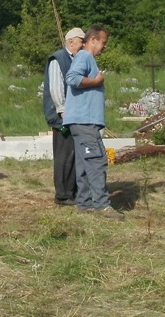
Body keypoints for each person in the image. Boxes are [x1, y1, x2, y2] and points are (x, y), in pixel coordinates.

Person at [64, 25, 123, 220]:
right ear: (93, 40)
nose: (104, 47)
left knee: (84, 164)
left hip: (81, 121)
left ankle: (85, 203)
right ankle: (102, 205)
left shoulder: (85, 58)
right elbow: (72, 78)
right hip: (84, 121)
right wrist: (96, 82)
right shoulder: (85, 57)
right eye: (103, 43)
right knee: (97, 161)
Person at [43, 28, 85, 206]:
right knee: (64, 155)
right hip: (63, 116)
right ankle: (63, 195)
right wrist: (62, 110)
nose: (83, 45)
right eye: (81, 42)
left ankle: (72, 191)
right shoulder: (58, 59)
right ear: (71, 42)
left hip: (73, 114)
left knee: (74, 155)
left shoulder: (76, 59)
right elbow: (56, 87)